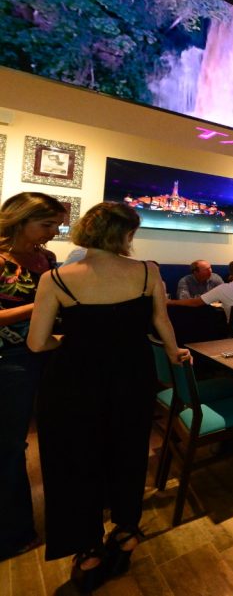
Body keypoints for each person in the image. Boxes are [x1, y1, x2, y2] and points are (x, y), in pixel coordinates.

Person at [28, 202, 190, 591]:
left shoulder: (55, 277)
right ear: (126, 235)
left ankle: (87, 550)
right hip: (132, 375)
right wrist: (174, 352)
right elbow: (161, 321)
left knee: (75, 459)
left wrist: (69, 343)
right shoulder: (147, 271)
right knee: (128, 451)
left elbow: (36, 343)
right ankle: (127, 530)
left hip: (74, 380)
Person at [0, 193, 65, 561]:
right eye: (47, 224)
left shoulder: (47, 258)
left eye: (57, 225)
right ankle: (13, 533)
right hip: (10, 358)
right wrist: (40, 304)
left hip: (50, 351)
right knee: (9, 445)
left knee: (53, 435)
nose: (53, 232)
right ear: (20, 219)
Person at [167, 259, 233, 319]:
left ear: (231, 273)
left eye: (210, 268)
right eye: (206, 269)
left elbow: (196, 302)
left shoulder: (223, 288)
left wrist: (170, 302)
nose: (210, 271)